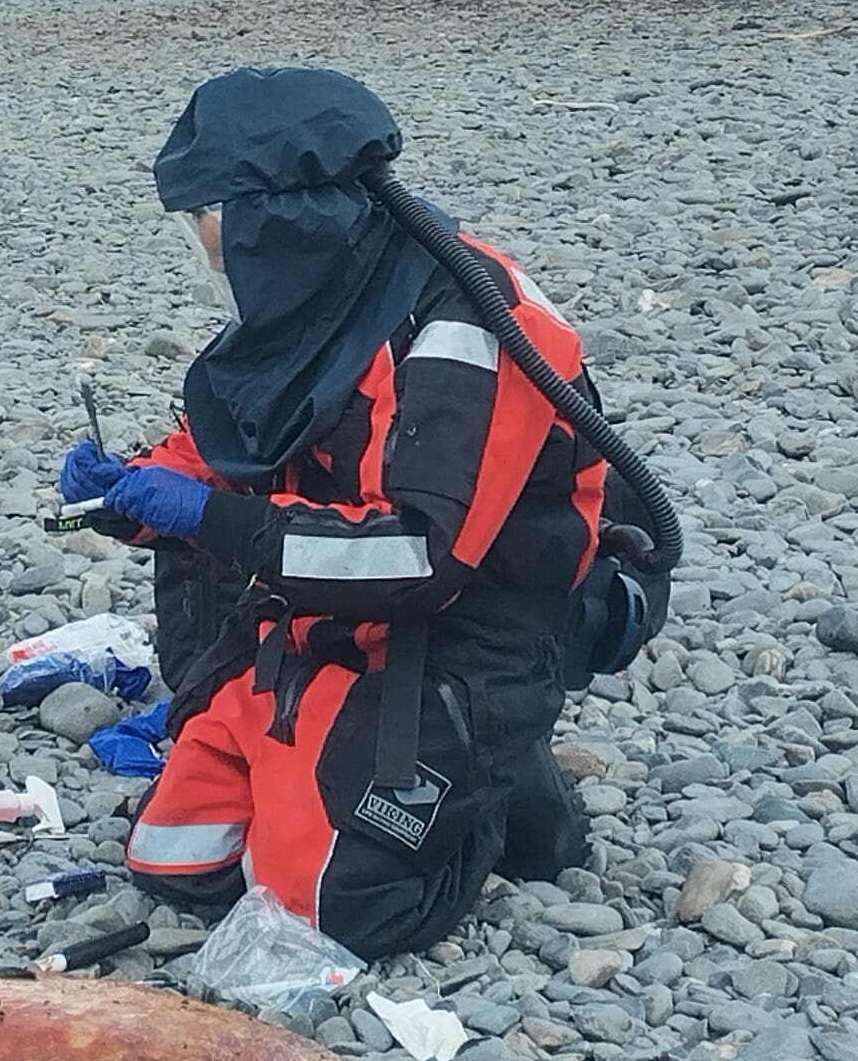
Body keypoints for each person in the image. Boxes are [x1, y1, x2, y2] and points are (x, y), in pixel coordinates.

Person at [55, 68, 603, 958]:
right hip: (328, 615)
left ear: (270, 221)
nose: (204, 248)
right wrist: (131, 493)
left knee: (326, 911)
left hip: (465, 633)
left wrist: (212, 519)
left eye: (207, 221)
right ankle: (353, 759)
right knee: (174, 862)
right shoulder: (329, 288)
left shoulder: (465, 328)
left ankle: (497, 792)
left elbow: (421, 557)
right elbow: (230, 440)